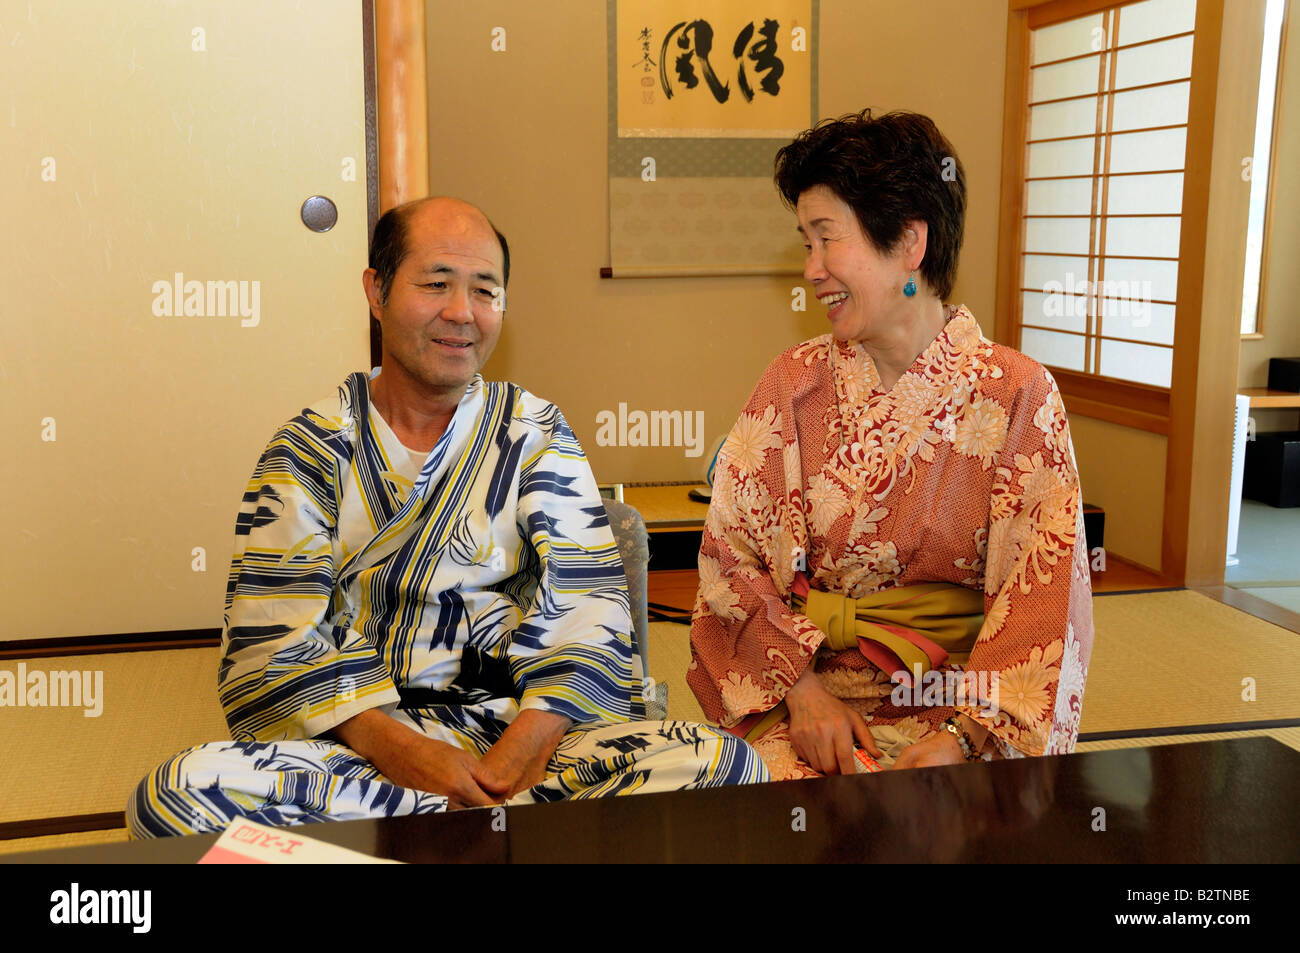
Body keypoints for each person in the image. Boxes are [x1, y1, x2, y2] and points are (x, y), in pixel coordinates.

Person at [129, 197, 766, 837]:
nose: (462, 313)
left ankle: (433, 843)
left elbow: (589, 607)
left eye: (484, 291)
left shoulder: (534, 432)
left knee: (728, 768)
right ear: (376, 292)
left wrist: (515, 757)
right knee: (177, 796)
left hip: (519, 743)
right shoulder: (309, 447)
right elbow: (272, 638)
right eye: (436, 284)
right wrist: (411, 756)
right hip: (361, 752)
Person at [688, 111, 1094, 780]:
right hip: (805, 701)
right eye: (805, 242)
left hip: (961, 711)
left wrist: (965, 741)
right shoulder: (792, 384)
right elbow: (730, 559)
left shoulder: (1018, 395)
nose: (811, 269)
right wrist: (803, 692)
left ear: (910, 242)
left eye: (826, 239)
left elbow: (1042, 601)